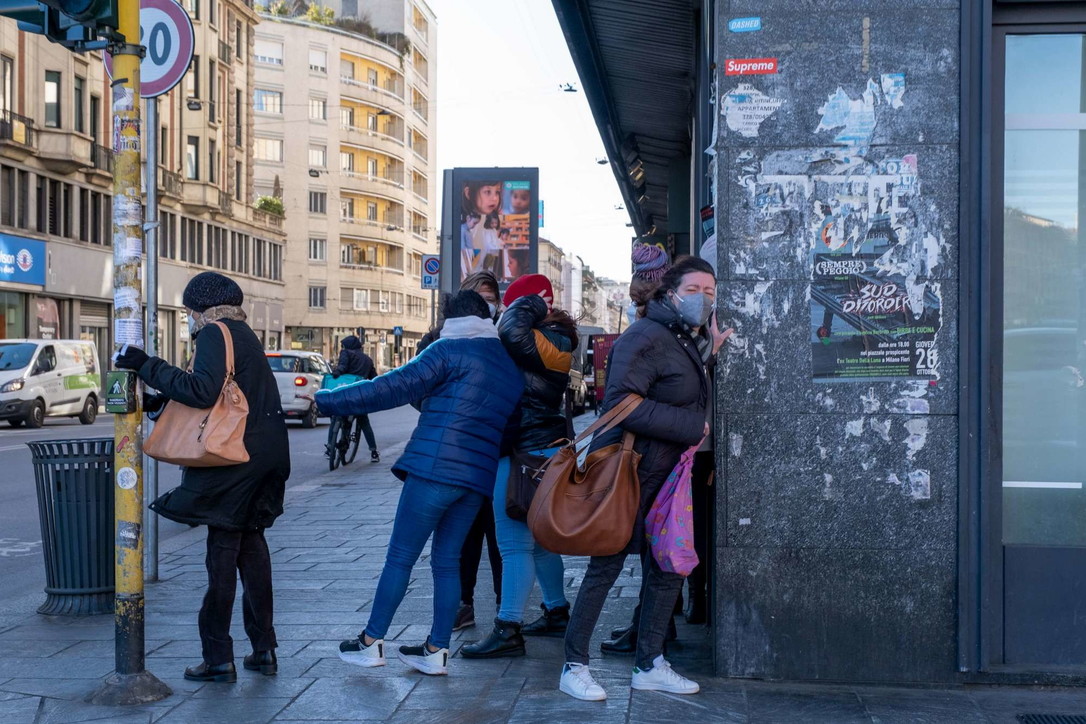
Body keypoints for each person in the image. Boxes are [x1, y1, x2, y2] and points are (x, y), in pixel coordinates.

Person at [316, 290, 522, 676]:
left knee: (401, 556)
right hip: (477, 478)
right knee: (447, 562)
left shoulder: (448, 350)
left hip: (434, 469)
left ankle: (370, 641)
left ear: (452, 320)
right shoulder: (507, 366)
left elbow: (390, 387)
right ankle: (436, 650)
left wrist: (330, 399)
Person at [559, 256, 732, 701]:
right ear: (670, 293)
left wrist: (709, 354)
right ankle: (574, 665)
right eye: (694, 289)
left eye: (710, 291)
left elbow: (675, 389)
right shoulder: (645, 336)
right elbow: (622, 403)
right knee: (607, 566)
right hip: (631, 474)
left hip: (668, 476)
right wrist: (694, 428)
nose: (704, 298)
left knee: (668, 566)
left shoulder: (683, 338)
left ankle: (649, 663)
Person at [113, 271, 290, 683]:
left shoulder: (215, 333)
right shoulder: (244, 333)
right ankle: (263, 649)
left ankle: (217, 658)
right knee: (252, 549)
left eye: (191, 310)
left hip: (235, 462)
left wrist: (144, 364)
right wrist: (163, 402)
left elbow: (203, 391)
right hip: (265, 455)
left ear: (200, 307)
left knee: (222, 553)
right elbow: (220, 396)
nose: (191, 318)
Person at [462, 274, 577, 659]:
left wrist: (528, 302)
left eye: (510, 305)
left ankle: (508, 628)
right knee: (540, 542)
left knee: (513, 545)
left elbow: (510, 330)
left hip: (523, 454)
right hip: (533, 450)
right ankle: (557, 610)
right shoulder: (548, 339)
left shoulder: (547, 338)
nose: (503, 312)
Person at [417, 271, 504, 634]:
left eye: (491, 298)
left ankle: (506, 612)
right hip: (456, 455)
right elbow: (416, 388)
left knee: (501, 535)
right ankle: (463, 605)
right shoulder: (436, 339)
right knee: (461, 535)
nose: (485, 306)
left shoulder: (504, 337)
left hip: (499, 452)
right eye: (478, 298)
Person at [331, 334, 380, 463]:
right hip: (360, 395)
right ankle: (373, 451)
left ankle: (330, 447)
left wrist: (336, 373)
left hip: (346, 393)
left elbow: (342, 367)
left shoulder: (346, 353)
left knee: (337, 416)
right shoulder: (368, 360)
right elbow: (374, 378)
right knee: (364, 422)